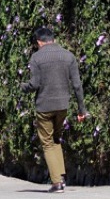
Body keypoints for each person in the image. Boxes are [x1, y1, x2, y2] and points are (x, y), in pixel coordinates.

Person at [21, 27, 88, 193]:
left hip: (44, 106)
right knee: (56, 139)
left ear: (39, 42)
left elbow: (34, 84)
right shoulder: (68, 56)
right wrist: (82, 110)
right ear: (53, 39)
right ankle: (61, 177)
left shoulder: (36, 57)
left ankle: (57, 183)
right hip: (62, 106)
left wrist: (22, 87)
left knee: (47, 143)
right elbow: (77, 85)